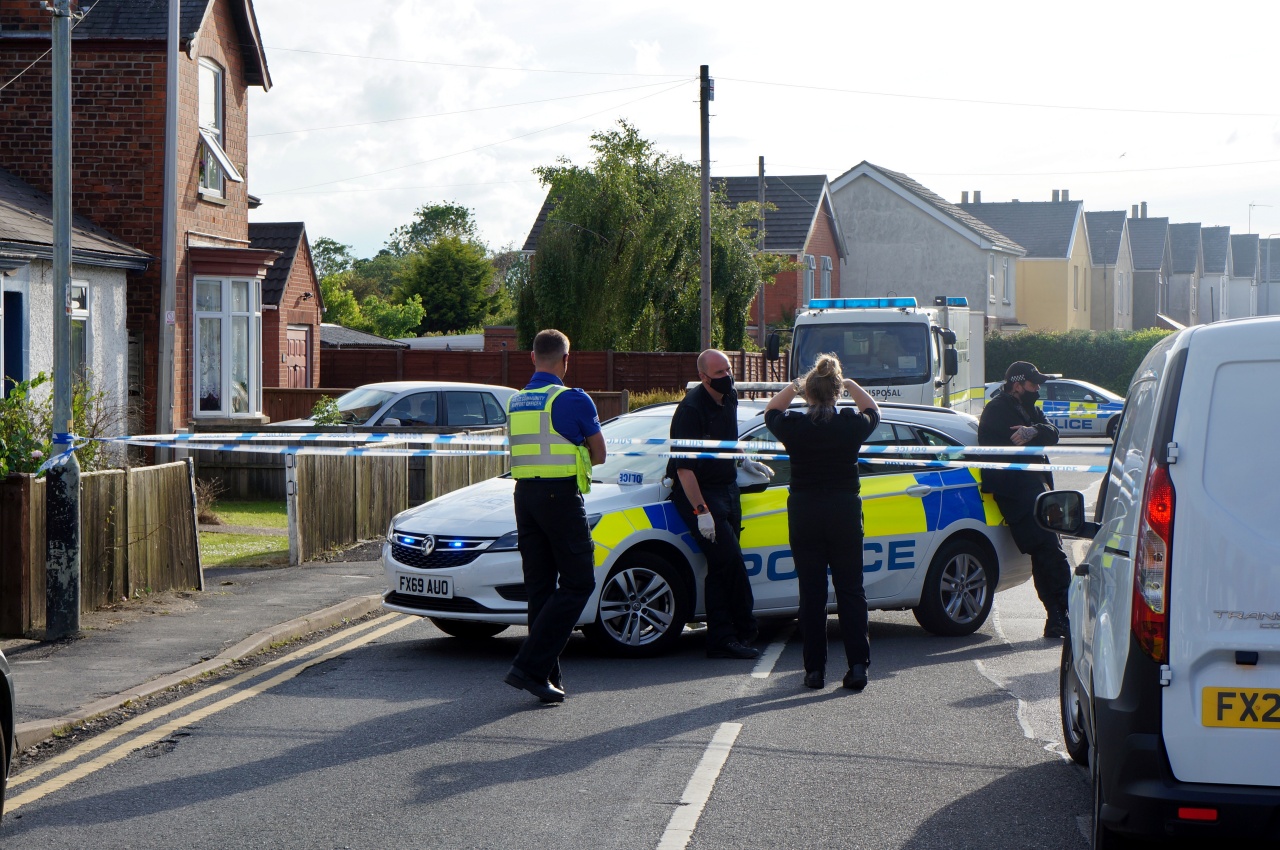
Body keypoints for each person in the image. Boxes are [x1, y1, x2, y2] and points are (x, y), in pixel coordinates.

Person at [764, 354, 881, 690]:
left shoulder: (795, 426)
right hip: (844, 512)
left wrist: (795, 386)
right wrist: (851, 385)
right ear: (836, 392)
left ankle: (814, 671)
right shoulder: (849, 424)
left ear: (809, 393)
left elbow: (771, 411)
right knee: (851, 590)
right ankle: (857, 667)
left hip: (806, 513)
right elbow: (873, 411)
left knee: (812, 593)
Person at [504, 329, 606, 702]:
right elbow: (599, 454)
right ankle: (529, 667)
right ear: (566, 359)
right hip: (559, 496)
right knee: (579, 582)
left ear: (533, 357)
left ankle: (545, 676)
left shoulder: (516, 401)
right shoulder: (573, 399)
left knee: (541, 589)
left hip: (524, 496)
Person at [668, 349, 775, 659]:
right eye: (720, 373)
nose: (727, 377)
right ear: (703, 377)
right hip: (701, 493)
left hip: (728, 489)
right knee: (730, 561)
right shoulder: (690, 411)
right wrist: (701, 512)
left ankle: (723, 637)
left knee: (720, 567)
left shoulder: (729, 397)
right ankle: (744, 627)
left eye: (728, 370)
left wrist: (744, 459)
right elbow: (684, 470)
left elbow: (727, 441)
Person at [978, 360, 1071, 639]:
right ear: (1017, 385)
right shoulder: (997, 410)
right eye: (1034, 384)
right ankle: (1059, 613)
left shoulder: (1028, 409)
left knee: (1049, 550)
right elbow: (1017, 442)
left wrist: (1035, 430)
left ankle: (1059, 616)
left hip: (1036, 488)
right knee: (1048, 549)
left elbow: (1053, 433)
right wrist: (1035, 433)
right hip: (1016, 491)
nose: (1038, 389)